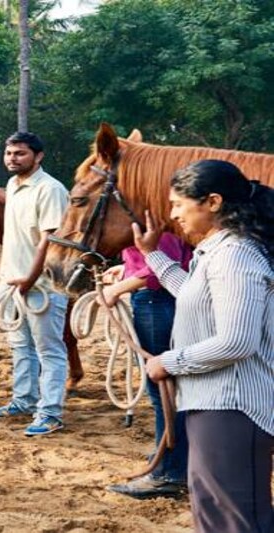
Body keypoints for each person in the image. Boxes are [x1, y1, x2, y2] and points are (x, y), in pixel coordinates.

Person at [134, 160, 273, 533]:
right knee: (216, 511)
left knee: (234, 519)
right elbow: (197, 299)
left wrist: (169, 361)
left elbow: (236, 341)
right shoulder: (220, 251)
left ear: (212, 202)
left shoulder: (235, 255)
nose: (172, 213)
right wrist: (154, 257)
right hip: (217, 404)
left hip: (232, 405)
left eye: (179, 203)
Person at [0, 132, 70, 437]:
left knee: (49, 350)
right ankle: (24, 401)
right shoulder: (14, 185)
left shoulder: (51, 189)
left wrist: (31, 278)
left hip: (43, 285)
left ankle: (51, 413)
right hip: (12, 281)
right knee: (19, 345)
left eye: (19, 153)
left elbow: (51, 239)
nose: (12, 159)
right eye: (9, 154)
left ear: (38, 156)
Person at [101, 234, 192, 499]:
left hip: (155, 300)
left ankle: (169, 472)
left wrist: (115, 290)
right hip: (155, 300)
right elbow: (153, 263)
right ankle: (171, 461)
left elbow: (162, 267)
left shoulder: (154, 221)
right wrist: (126, 269)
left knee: (162, 391)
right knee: (165, 389)